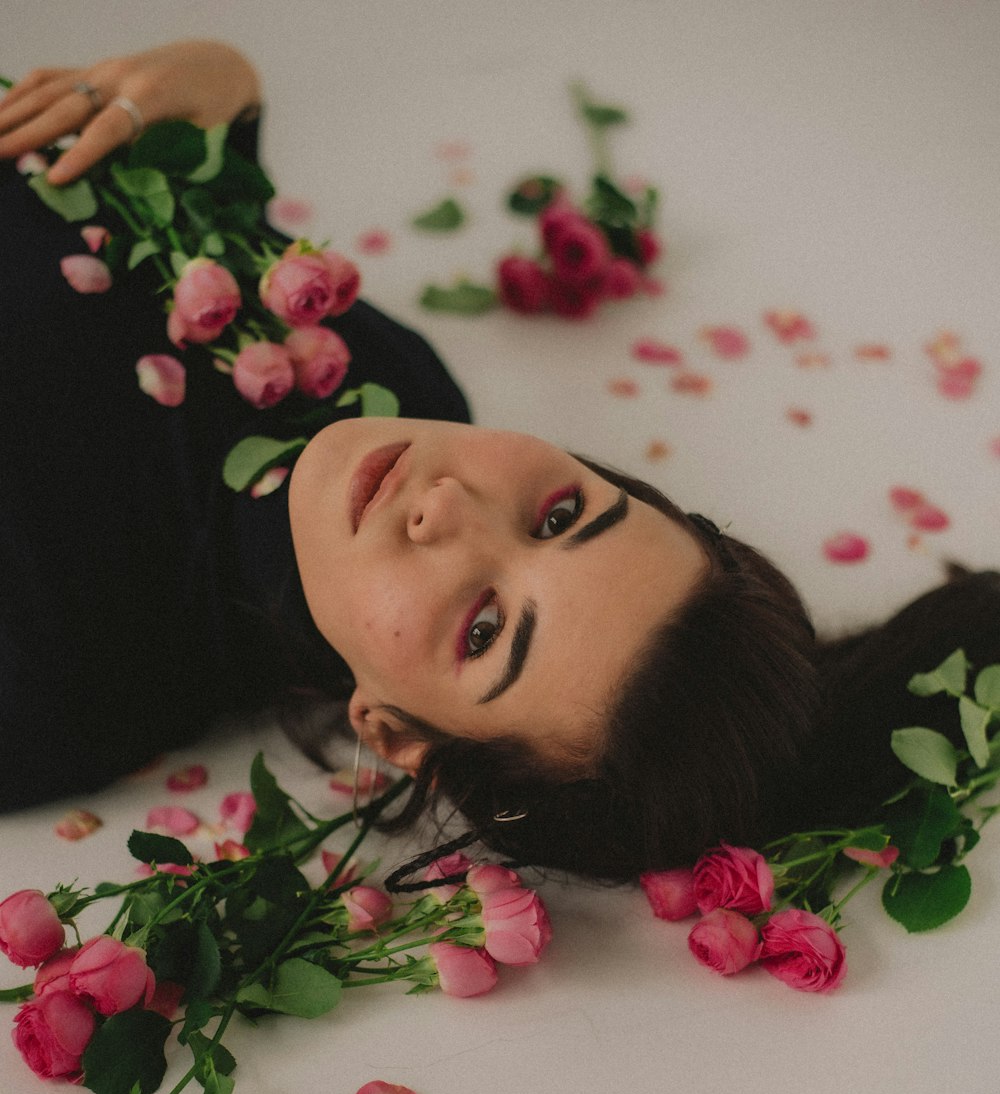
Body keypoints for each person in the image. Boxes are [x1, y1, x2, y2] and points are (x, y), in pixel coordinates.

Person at [1, 43, 997, 883]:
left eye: (483, 628)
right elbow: (193, 218)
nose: (445, 505)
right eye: (561, 514)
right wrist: (213, 104)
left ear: (395, 734)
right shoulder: (402, 386)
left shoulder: (57, 690)